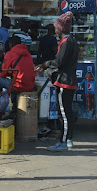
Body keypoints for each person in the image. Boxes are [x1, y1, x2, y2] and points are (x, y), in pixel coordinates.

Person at [36, 11, 79, 152]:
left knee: (64, 114)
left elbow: (59, 62)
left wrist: (46, 64)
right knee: (67, 113)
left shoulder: (66, 42)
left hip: (64, 82)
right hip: (68, 80)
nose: (55, 30)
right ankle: (69, 139)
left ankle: (63, 142)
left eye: (56, 27)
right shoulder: (71, 41)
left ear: (61, 29)